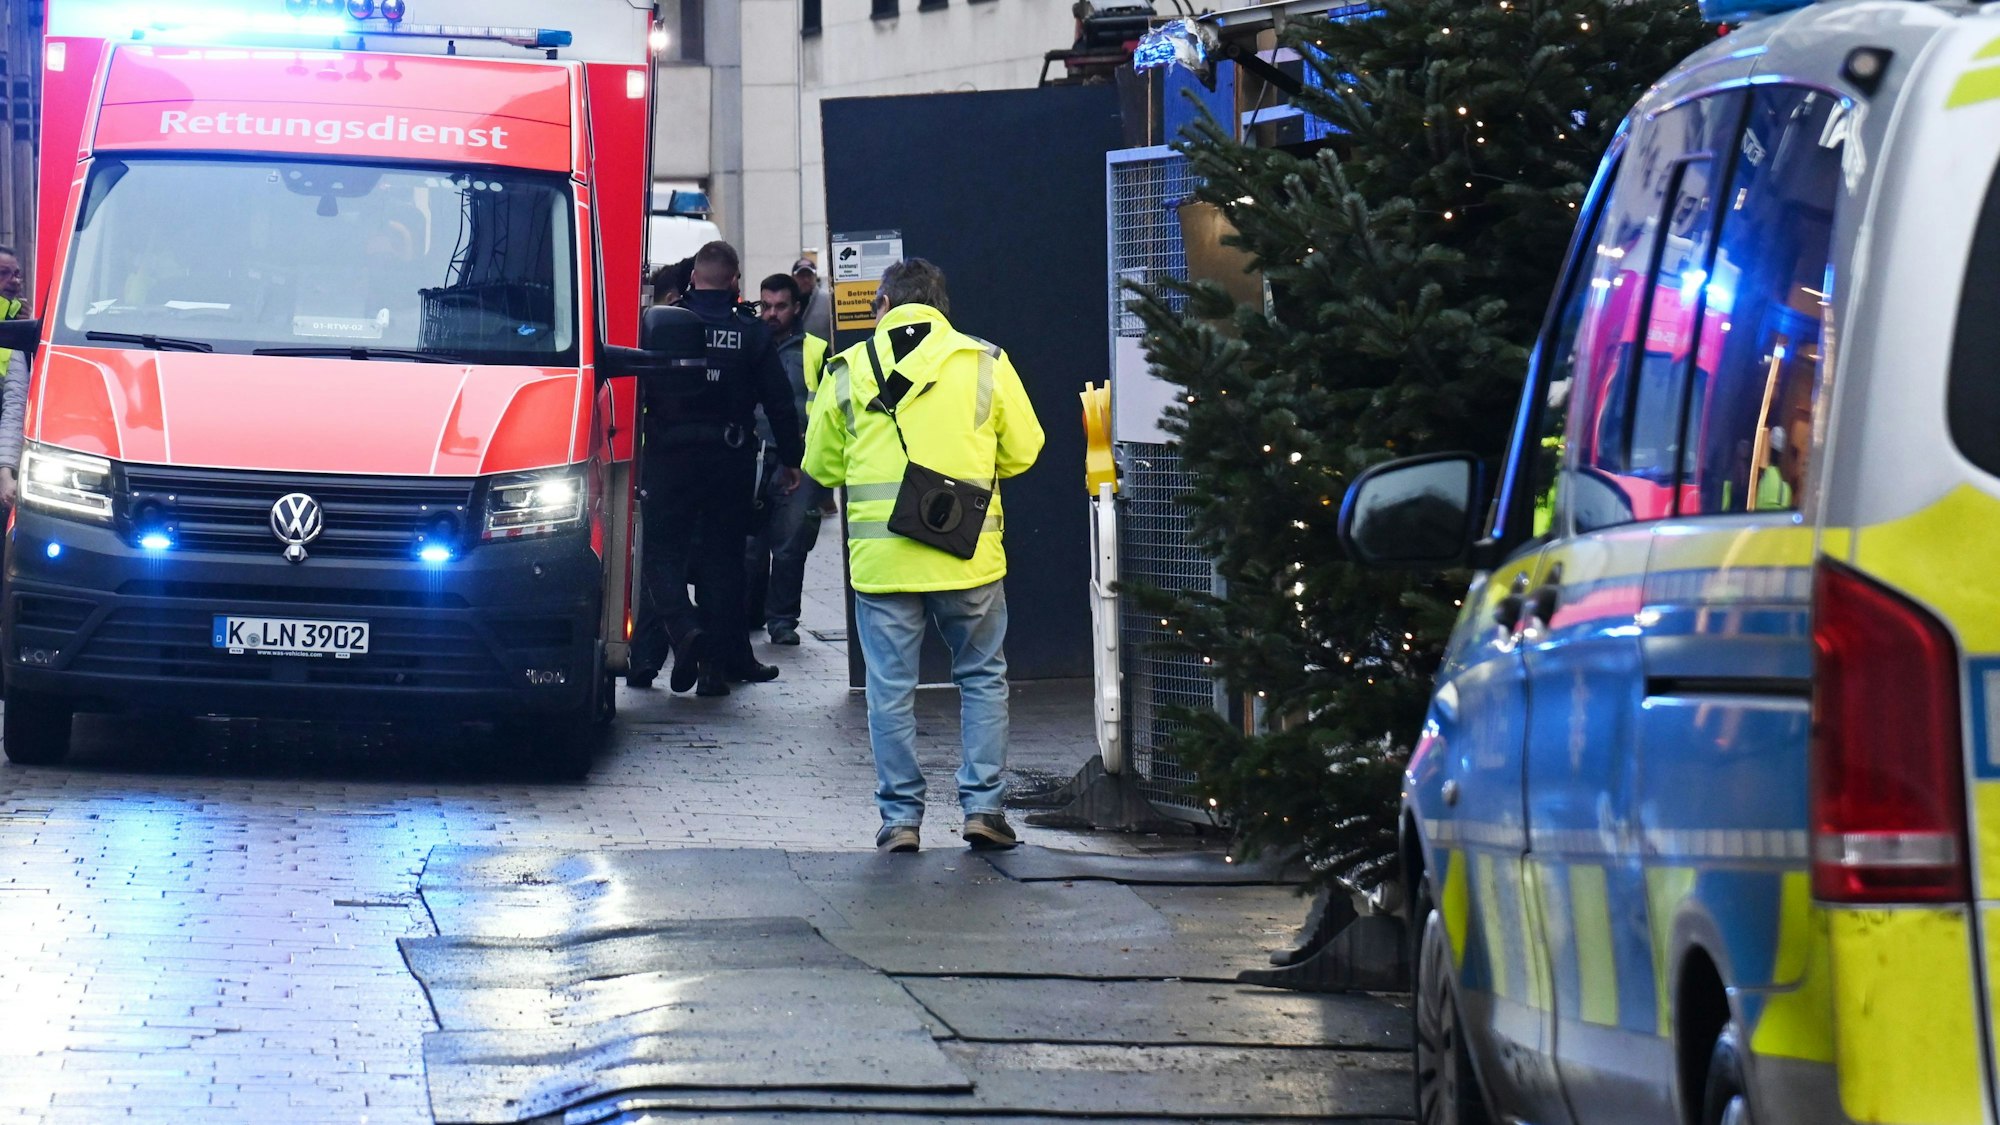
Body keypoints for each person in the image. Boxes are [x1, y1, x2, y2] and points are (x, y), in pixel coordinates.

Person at [803, 258, 1044, 854]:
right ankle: (984, 808)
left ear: (882, 305)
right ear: (940, 306)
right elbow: (1024, 452)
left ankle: (901, 820)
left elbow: (821, 465)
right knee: (983, 677)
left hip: (884, 565)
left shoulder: (848, 368)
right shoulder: (984, 361)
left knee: (889, 689)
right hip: (968, 557)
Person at [631, 241, 802, 697]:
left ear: (692, 279)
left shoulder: (660, 323)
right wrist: (791, 460)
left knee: (660, 554)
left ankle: (684, 630)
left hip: (669, 459)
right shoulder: (749, 330)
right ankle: (711, 670)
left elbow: (635, 390)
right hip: (729, 460)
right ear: (733, 280)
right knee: (722, 564)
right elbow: (780, 402)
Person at [744, 273, 831, 646]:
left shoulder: (815, 350)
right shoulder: (749, 344)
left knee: (791, 544)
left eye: (780, 306)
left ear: (797, 308)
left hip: (799, 460)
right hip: (752, 457)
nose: (771, 314)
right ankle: (748, 617)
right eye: (766, 306)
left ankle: (782, 621)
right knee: (749, 546)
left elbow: (827, 406)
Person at [0, 247, 31, 509]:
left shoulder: (26, 319)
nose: (14, 280)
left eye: (17, 274)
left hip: (12, 423)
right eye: (3, 274)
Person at [793, 257, 832, 341]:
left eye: (809, 275)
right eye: (801, 276)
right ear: (793, 277)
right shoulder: (787, 303)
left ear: (815, 277)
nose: (806, 280)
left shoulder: (828, 302)